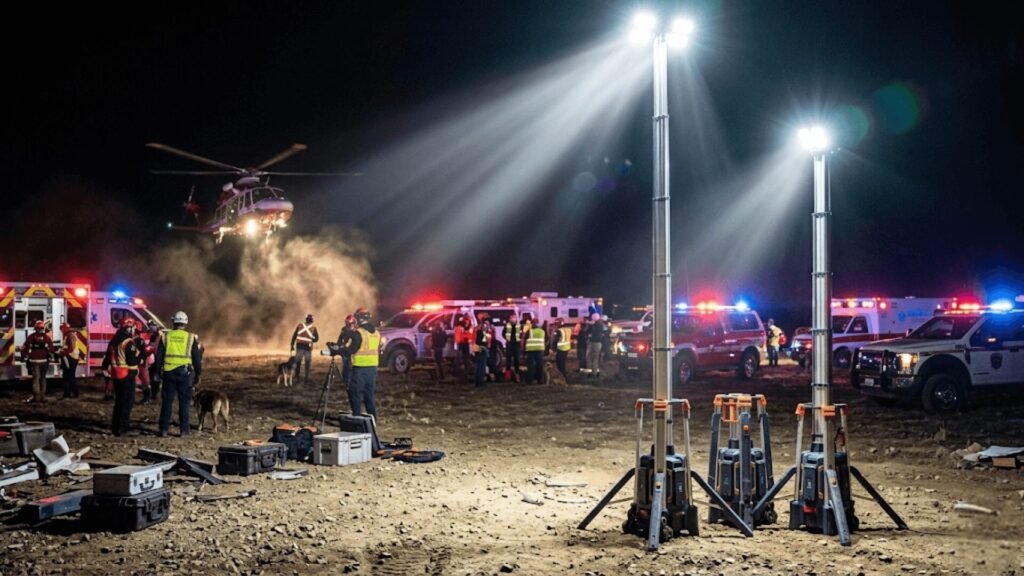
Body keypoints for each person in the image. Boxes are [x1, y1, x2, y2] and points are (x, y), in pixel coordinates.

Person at [154, 311, 202, 437]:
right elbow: (197, 358)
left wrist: (156, 373)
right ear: (185, 323)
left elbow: (158, 357)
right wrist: (198, 374)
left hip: (168, 373)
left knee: (167, 402)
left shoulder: (165, 336)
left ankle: (163, 430)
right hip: (184, 373)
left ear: (173, 321)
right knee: (184, 403)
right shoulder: (190, 337)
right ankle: (184, 431)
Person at [109, 318, 142, 436]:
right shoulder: (128, 342)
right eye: (132, 327)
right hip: (126, 375)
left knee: (119, 401)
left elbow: (108, 357)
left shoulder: (114, 340)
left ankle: (115, 426)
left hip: (115, 374)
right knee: (127, 402)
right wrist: (137, 363)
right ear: (129, 328)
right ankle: (123, 428)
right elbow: (132, 362)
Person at [347, 308, 380, 417]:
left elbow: (352, 349)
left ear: (359, 318)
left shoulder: (359, 333)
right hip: (373, 368)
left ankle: (356, 417)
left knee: (354, 393)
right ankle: (372, 419)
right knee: (369, 395)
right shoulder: (376, 333)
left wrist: (337, 350)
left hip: (360, 368)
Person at [22, 320, 54, 403]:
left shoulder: (31, 337)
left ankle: (36, 398)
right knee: (43, 379)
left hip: (34, 361)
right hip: (45, 362)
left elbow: (25, 348)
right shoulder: (47, 338)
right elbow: (51, 349)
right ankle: (43, 397)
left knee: (36, 379)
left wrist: (24, 356)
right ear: (43, 328)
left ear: (35, 328)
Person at [290, 313, 319, 385]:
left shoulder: (300, 326)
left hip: (299, 347)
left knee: (297, 363)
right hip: (308, 348)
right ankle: (306, 379)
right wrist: (311, 339)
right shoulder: (313, 328)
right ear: (312, 320)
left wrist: (292, 345)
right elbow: (316, 339)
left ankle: (297, 377)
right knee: (307, 364)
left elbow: (294, 335)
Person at [58, 323, 83, 399]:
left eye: (62, 328)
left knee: (69, 376)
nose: (61, 330)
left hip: (71, 358)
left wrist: (63, 352)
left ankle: (72, 393)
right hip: (70, 357)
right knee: (68, 376)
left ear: (65, 328)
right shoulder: (67, 335)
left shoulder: (70, 335)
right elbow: (67, 346)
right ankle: (69, 393)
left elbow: (71, 348)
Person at [336, 314, 358, 385]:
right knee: (346, 366)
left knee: (351, 367)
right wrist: (338, 345)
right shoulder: (344, 329)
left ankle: (350, 380)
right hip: (344, 350)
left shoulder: (356, 330)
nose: (346, 323)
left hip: (352, 350)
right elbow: (340, 338)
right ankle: (345, 380)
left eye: (347, 321)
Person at [524, 318, 546, 384]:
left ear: (532, 323)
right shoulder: (542, 331)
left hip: (530, 350)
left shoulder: (529, 331)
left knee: (530, 366)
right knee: (540, 365)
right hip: (540, 349)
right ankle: (540, 380)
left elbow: (525, 340)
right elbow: (546, 339)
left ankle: (529, 380)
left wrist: (523, 351)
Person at [146, 321, 163, 400]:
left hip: (158, 359)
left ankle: (155, 393)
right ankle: (153, 392)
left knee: (156, 376)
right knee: (152, 375)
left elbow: (159, 348)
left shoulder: (160, 336)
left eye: (151, 326)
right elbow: (151, 345)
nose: (150, 328)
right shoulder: (153, 336)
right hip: (153, 359)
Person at [586, 313, 607, 378]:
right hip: (597, 343)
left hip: (595, 342)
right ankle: (595, 371)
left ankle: (594, 373)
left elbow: (594, 333)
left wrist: (590, 337)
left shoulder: (597, 325)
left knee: (593, 357)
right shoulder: (600, 324)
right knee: (595, 358)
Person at [502, 313, 522, 382]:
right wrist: (507, 339)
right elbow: (503, 334)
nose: (512, 319)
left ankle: (517, 376)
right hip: (509, 344)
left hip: (516, 345)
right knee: (508, 361)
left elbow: (522, 334)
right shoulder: (507, 326)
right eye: (511, 318)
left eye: (514, 317)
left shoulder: (519, 326)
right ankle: (508, 377)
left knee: (517, 360)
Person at [473, 314, 490, 388]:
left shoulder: (476, 329)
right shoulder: (483, 331)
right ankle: (481, 382)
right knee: (482, 365)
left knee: (477, 364)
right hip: (482, 347)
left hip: (476, 346)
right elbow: (485, 340)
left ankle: (477, 382)